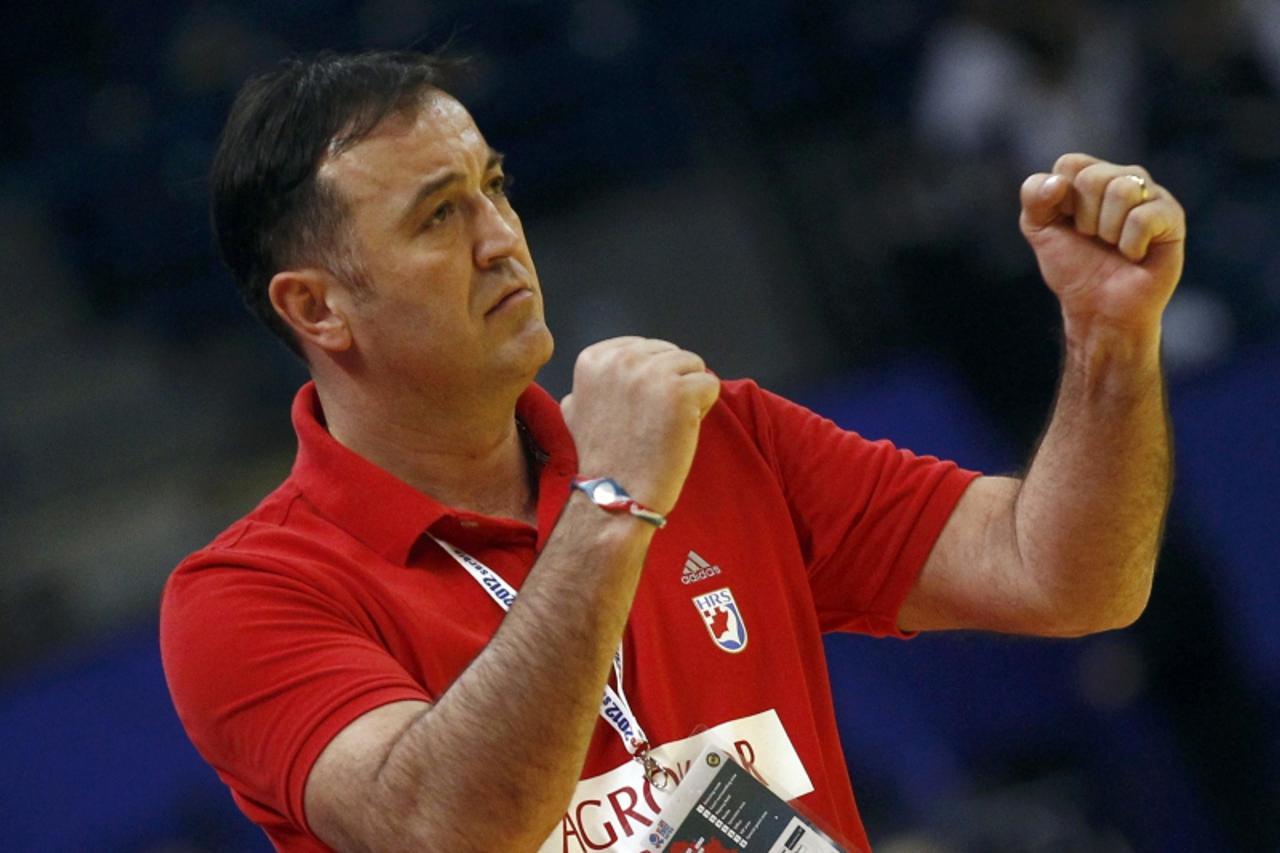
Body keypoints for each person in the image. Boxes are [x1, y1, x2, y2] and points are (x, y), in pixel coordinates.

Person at [159, 50, 1183, 852]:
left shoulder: (711, 436)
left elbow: (1063, 575)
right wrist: (611, 499)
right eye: (437, 216)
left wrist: (1107, 340)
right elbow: (446, 829)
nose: (500, 238)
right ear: (317, 308)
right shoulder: (249, 596)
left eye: (493, 187)